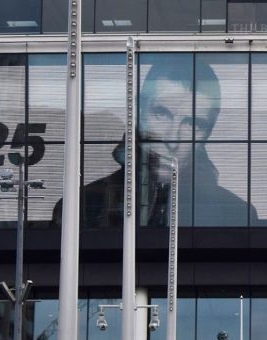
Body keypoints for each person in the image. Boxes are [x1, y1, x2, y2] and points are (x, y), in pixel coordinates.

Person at [53, 60, 254, 227]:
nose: (172, 139)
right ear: (138, 113)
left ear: (207, 134)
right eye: (161, 114)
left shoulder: (237, 214)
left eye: (193, 123)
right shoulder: (80, 207)